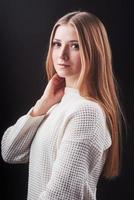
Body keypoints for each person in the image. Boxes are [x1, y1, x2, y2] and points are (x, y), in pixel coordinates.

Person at [1, 11, 124, 200]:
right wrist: (43, 104)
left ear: (94, 51)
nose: (62, 54)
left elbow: (59, 195)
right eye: (57, 44)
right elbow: (10, 152)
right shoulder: (56, 104)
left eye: (75, 46)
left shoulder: (87, 113)